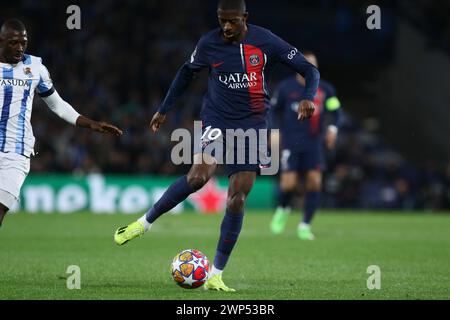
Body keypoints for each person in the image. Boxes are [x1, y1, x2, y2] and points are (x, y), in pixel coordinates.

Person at [114, 0, 319, 292]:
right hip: (217, 119)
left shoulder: (266, 40)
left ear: (245, 18)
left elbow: (309, 70)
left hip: (253, 123)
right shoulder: (209, 43)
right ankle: (143, 223)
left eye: (232, 21)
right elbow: (186, 73)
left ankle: (216, 274)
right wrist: (164, 108)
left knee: (237, 197)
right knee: (198, 176)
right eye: (222, 20)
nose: (226, 27)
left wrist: (309, 96)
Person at [0, 19, 123, 227]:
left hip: (16, 152)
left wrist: (91, 123)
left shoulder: (35, 67)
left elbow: (57, 105)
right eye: (13, 42)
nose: (20, 47)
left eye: (23, 42)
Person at [269, 52, 342, 240]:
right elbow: (273, 111)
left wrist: (333, 129)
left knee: (314, 181)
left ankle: (305, 225)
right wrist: (274, 132)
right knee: (288, 184)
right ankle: (283, 209)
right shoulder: (286, 88)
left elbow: (336, 112)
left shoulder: (326, 89)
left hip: (314, 142)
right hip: (290, 141)